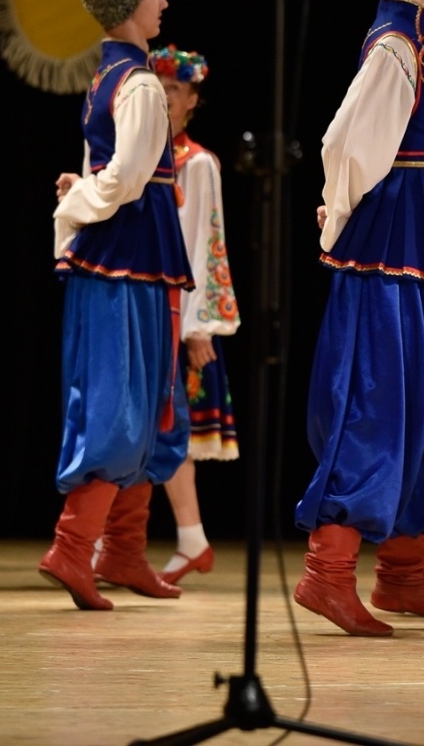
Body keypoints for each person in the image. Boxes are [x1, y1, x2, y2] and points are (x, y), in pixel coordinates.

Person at [292, 0, 424, 637]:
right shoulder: (396, 42)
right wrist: (337, 212)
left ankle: (402, 574)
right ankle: (326, 574)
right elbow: (349, 143)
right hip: (392, 243)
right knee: (377, 401)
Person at [40, 0, 194, 611]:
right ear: (132, 1)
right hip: (125, 255)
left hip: (128, 255)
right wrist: (73, 207)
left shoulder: (109, 77)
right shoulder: (137, 85)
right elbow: (128, 178)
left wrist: (82, 194)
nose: (163, 3)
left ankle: (124, 551)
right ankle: (73, 547)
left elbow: (107, 169)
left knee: (147, 393)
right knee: (120, 397)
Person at [146, 44, 240, 586]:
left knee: (169, 426)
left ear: (192, 100)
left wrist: (199, 325)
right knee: (150, 426)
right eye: (157, 85)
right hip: (148, 305)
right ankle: (185, 538)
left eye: (175, 88)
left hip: (181, 312)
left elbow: (208, 242)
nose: (164, 96)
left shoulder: (196, 162)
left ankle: (188, 537)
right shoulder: (137, 157)